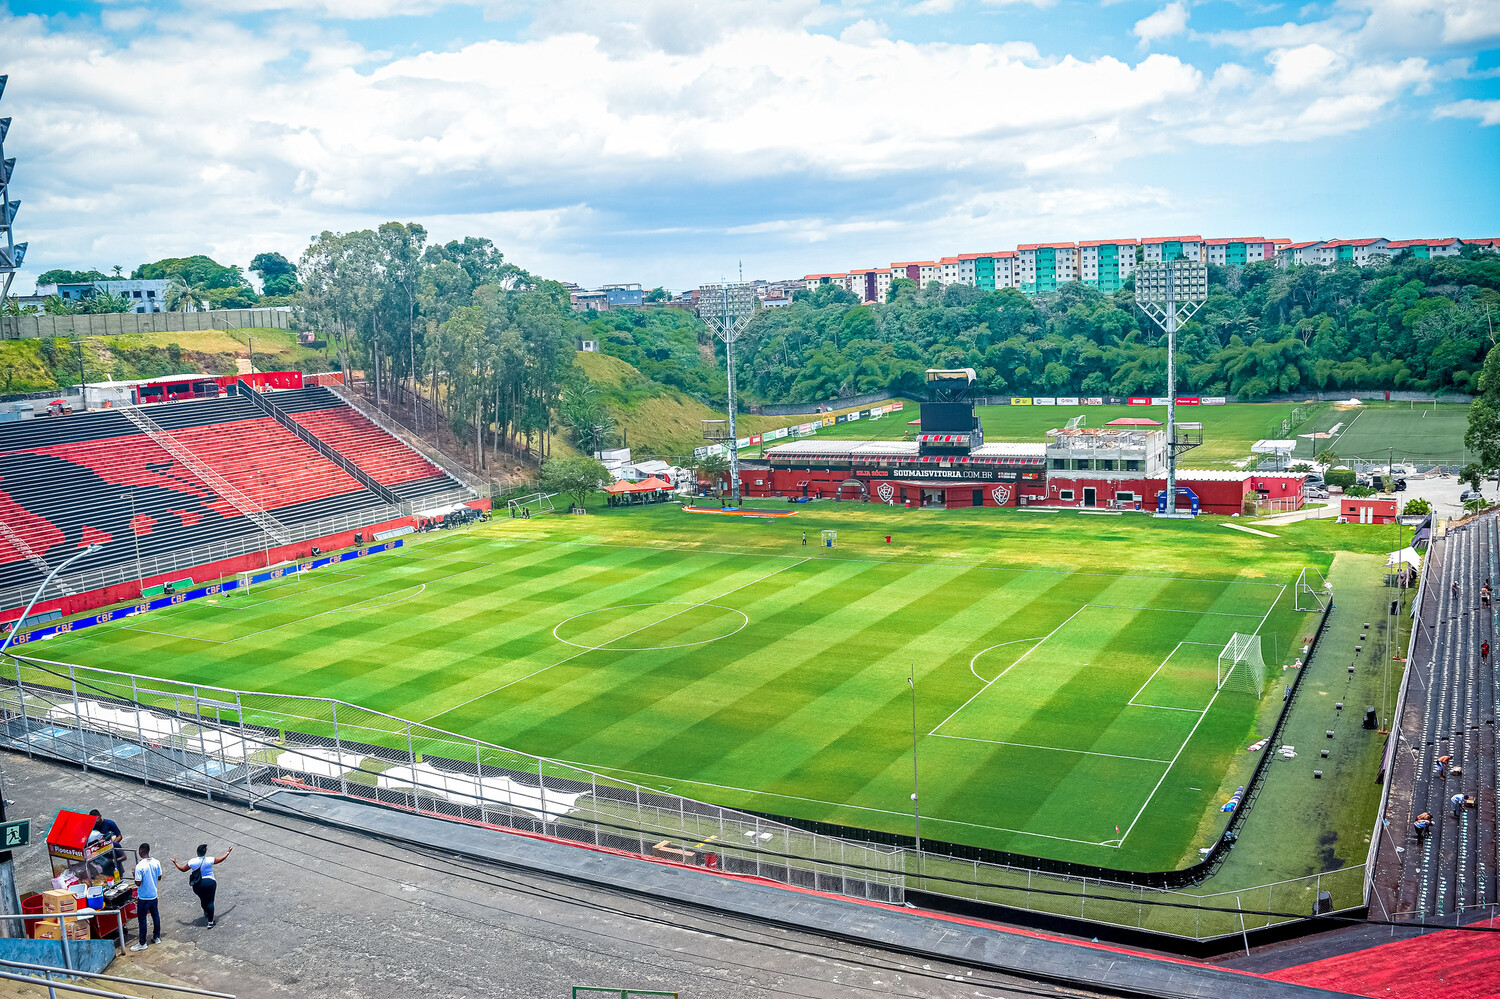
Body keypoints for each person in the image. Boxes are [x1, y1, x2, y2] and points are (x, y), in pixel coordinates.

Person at [173, 844, 232, 927]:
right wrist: (228, 852)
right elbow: (221, 859)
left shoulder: (192, 861)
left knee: (203, 899)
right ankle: (210, 922)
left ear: (197, 852)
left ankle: (205, 911)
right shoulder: (210, 859)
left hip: (198, 884)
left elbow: (183, 869)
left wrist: (175, 863)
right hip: (210, 882)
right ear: (205, 852)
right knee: (210, 901)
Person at [131, 843, 162, 951]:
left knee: (142, 920)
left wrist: (134, 875)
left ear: (140, 851)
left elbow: (138, 883)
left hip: (144, 898)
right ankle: (157, 937)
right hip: (154, 895)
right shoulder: (156, 862)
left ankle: (142, 943)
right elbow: (159, 877)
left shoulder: (139, 866)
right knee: (155, 916)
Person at [88, 810, 124, 878]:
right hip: (101, 856)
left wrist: (110, 845)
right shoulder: (92, 827)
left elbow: (119, 836)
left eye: (97, 819)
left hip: (112, 854)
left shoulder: (109, 823)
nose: (96, 822)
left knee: (117, 875)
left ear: (100, 816)